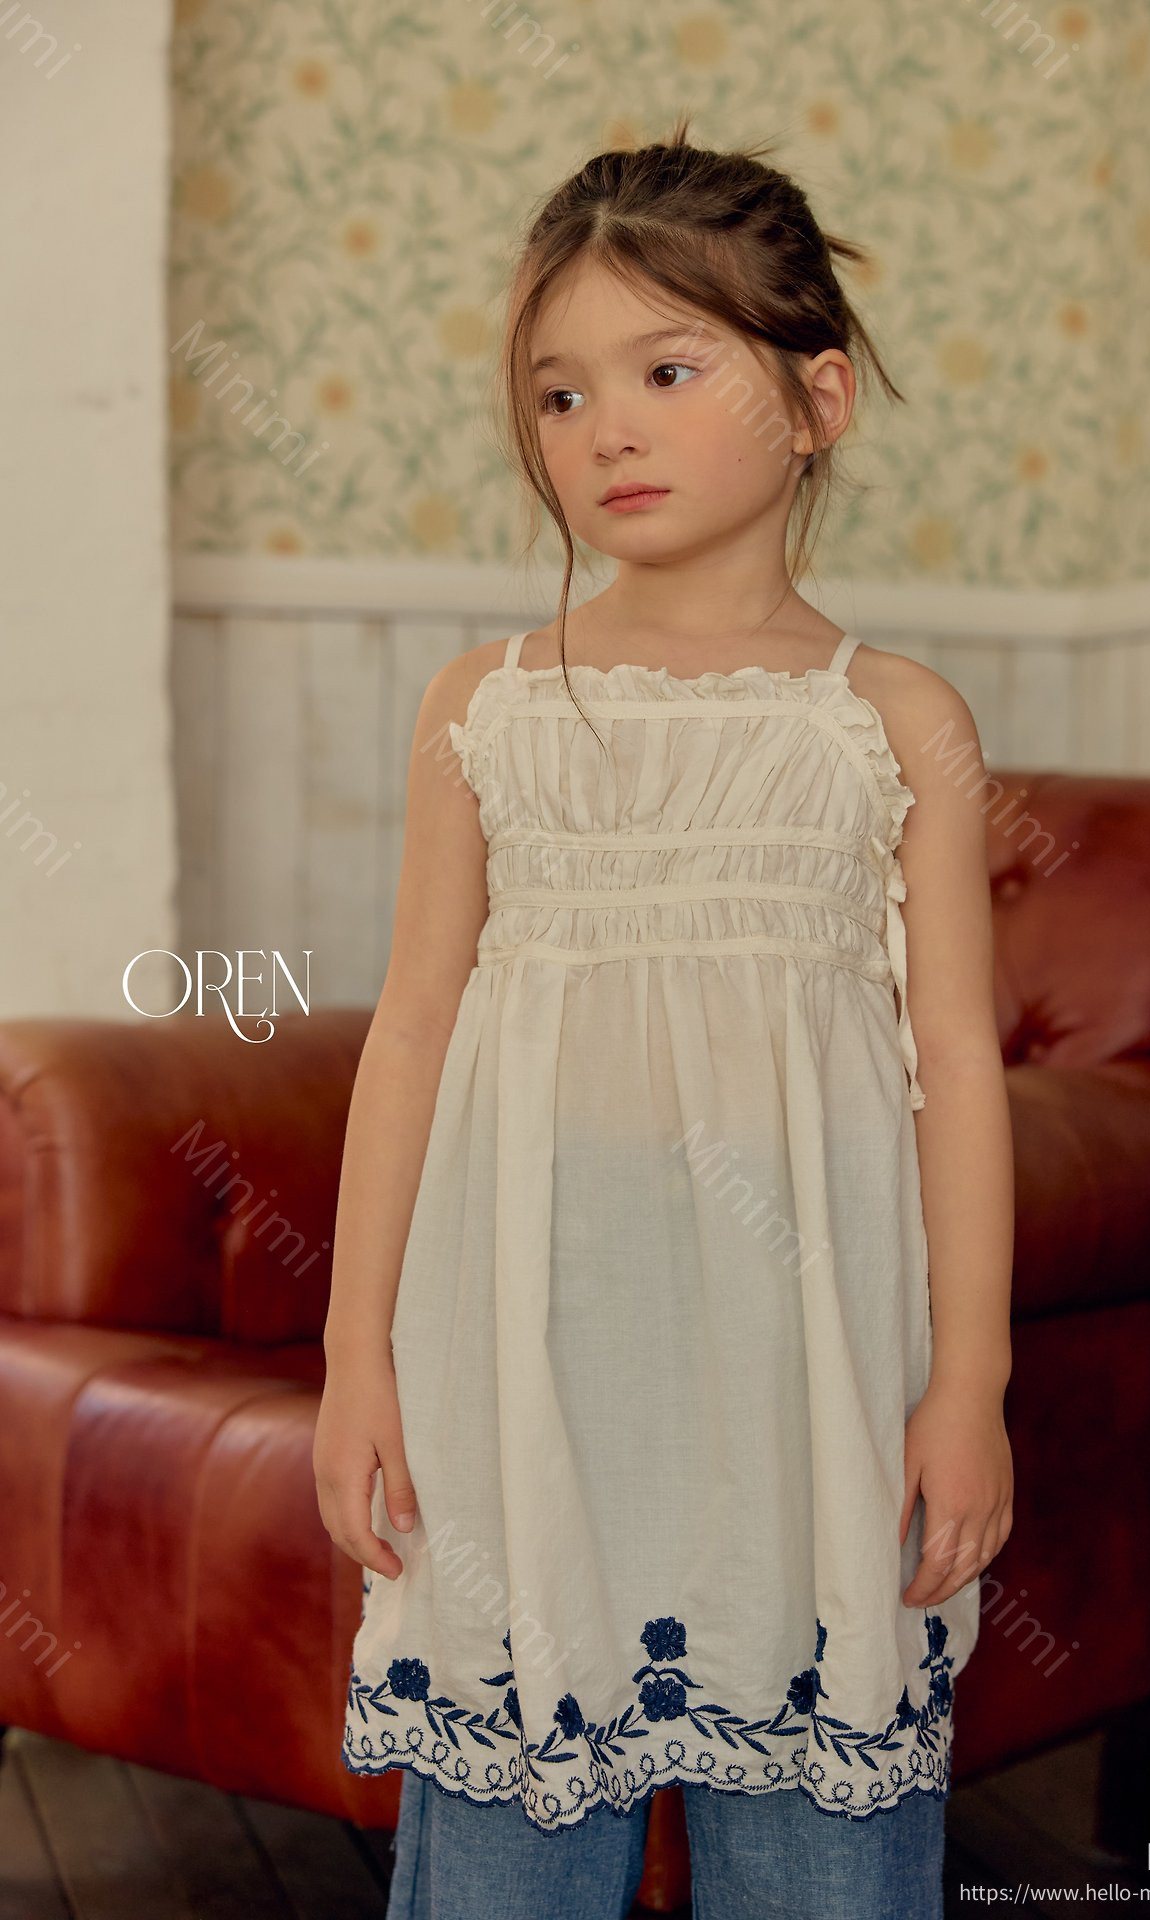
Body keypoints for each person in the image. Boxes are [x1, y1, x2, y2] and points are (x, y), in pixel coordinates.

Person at [315, 113, 1015, 1920]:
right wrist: (354, 1356)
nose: (604, 429)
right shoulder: (485, 708)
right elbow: (412, 1029)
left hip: (811, 1374)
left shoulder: (893, 721)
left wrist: (970, 1384)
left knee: (824, 1854)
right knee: (506, 1846)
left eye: (666, 369)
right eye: (559, 395)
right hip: (523, 1361)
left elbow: (956, 1067)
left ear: (819, 398)